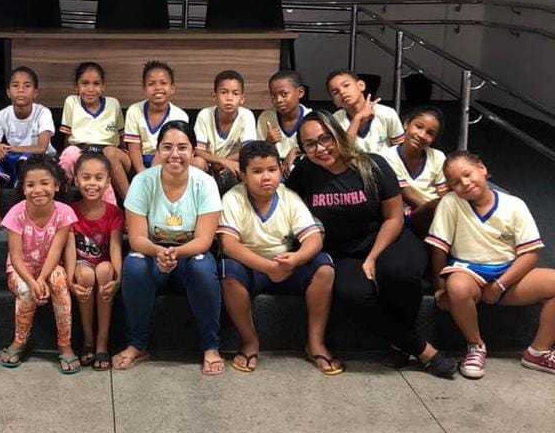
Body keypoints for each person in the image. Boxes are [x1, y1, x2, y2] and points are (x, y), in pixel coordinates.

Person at [286, 111, 455, 378]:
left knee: (400, 273)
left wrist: (373, 257)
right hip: (342, 251)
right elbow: (283, 203)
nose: (320, 148)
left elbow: (394, 217)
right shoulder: (305, 173)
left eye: (325, 138)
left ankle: (401, 344)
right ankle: (420, 348)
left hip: (388, 238)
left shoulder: (372, 164)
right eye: (310, 144)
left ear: (338, 134)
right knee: (353, 294)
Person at [427, 151, 555, 379]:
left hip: (508, 274)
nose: (464, 183)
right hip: (469, 272)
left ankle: (539, 351)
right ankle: (475, 345)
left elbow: (530, 253)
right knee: (457, 287)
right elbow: (439, 249)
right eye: (455, 182)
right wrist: (439, 288)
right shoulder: (450, 203)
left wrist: (500, 285)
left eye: (467, 174)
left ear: (482, 168)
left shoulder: (514, 205)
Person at [218, 140, 342, 375]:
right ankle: (249, 341)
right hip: (251, 266)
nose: (266, 177)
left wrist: (296, 259)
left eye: (272, 170)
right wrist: (267, 267)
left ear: (280, 171)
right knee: (228, 270)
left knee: (324, 267)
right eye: (257, 171)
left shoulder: (289, 197)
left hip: (286, 264)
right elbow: (228, 244)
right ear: (243, 175)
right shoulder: (233, 198)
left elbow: (314, 239)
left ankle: (315, 343)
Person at [114, 120, 224, 376]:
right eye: (167, 147)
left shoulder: (205, 183)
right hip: (152, 253)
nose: (175, 154)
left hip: (190, 254)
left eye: (182, 147)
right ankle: (137, 344)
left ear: (193, 151)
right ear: (158, 150)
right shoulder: (142, 181)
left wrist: (175, 253)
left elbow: (205, 240)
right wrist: (159, 252)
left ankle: (210, 347)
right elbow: (136, 237)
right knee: (134, 264)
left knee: (202, 268)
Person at [0, 155, 79, 373]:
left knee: (59, 280)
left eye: (45, 183)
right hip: (20, 270)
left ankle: (65, 344)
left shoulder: (64, 212)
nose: (38, 190)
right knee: (26, 290)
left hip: (49, 267)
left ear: (56, 186)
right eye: (30, 185)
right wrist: (32, 281)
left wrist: (42, 278)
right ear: (23, 189)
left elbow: (56, 251)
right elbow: (15, 257)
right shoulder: (16, 213)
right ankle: (19, 340)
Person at [0, 66, 55, 235]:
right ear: (8, 92)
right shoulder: (3, 114)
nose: (20, 90)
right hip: (15, 157)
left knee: (25, 160)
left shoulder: (43, 113)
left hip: (40, 159)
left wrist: (8, 148)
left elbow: (41, 148)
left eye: (27, 86)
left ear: (35, 92)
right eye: (15, 85)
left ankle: (25, 216)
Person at [65, 152, 124, 371]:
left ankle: (102, 341)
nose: (92, 183)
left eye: (99, 178)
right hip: (83, 267)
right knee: (86, 273)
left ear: (108, 182)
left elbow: (115, 247)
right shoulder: (70, 212)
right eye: (86, 177)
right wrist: (70, 280)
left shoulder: (114, 213)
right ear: (76, 179)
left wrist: (119, 277)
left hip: (104, 267)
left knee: (105, 270)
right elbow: (69, 249)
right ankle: (88, 338)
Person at [58, 61, 131, 201]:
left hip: (108, 154)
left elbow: (122, 137)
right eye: (85, 83)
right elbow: (67, 139)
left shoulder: (113, 104)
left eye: (96, 84)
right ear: (77, 87)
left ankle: (129, 204)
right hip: (82, 152)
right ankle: (61, 197)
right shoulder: (71, 102)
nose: (90, 89)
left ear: (103, 87)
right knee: (69, 153)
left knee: (108, 157)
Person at [381, 106, 447, 238]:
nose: (422, 135)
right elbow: (407, 196)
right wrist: (436, 213)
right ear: (406, 124)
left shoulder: (438, 157)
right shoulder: (386, 157)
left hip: (437, 214)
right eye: (419, 127)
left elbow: (444, 194)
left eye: (430, 133)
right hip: (407, 216)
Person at [123, 60, 189, 176]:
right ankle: (131, 189)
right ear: (144, 88)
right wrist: (141, 172)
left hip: (166, 159)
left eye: (163, 83)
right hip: (137, 161)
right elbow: (134, 147)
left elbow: (169, 148)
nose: (158, 88)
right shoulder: (134, 110)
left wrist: (150, 176)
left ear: (172, 88)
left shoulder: (179, 115)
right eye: (151, 84)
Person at [193, 69, 256, 186]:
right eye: (224, 92)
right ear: (214, 96)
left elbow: (249, 150)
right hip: (210, 166)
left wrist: (226, 163)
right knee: (197, 162)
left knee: (247, 165)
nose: (229, 98)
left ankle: (236, 196)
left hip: (233, 166)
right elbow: (197, 151)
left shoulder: (246, 115)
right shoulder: (204, 114)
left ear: (242, 99)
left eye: (235, 93)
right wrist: (222, 161)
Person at [327, 69, 403, 154]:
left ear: (361, 85)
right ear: (334, 102)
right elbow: (344, 152)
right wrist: (358, 118)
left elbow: (400, 149)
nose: (342, 92)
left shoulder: (386, 113)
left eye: (346, 85)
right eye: (335, 92)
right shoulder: (334, 120)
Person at [255, 70, 310, 175]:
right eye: (273, 96)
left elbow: (316, 150)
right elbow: (257, 155)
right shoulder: (266, 117)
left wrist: (297, 151)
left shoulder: (311, 118)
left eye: (284, 94)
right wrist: (268, 143)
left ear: (300, 92)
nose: (278, 100)